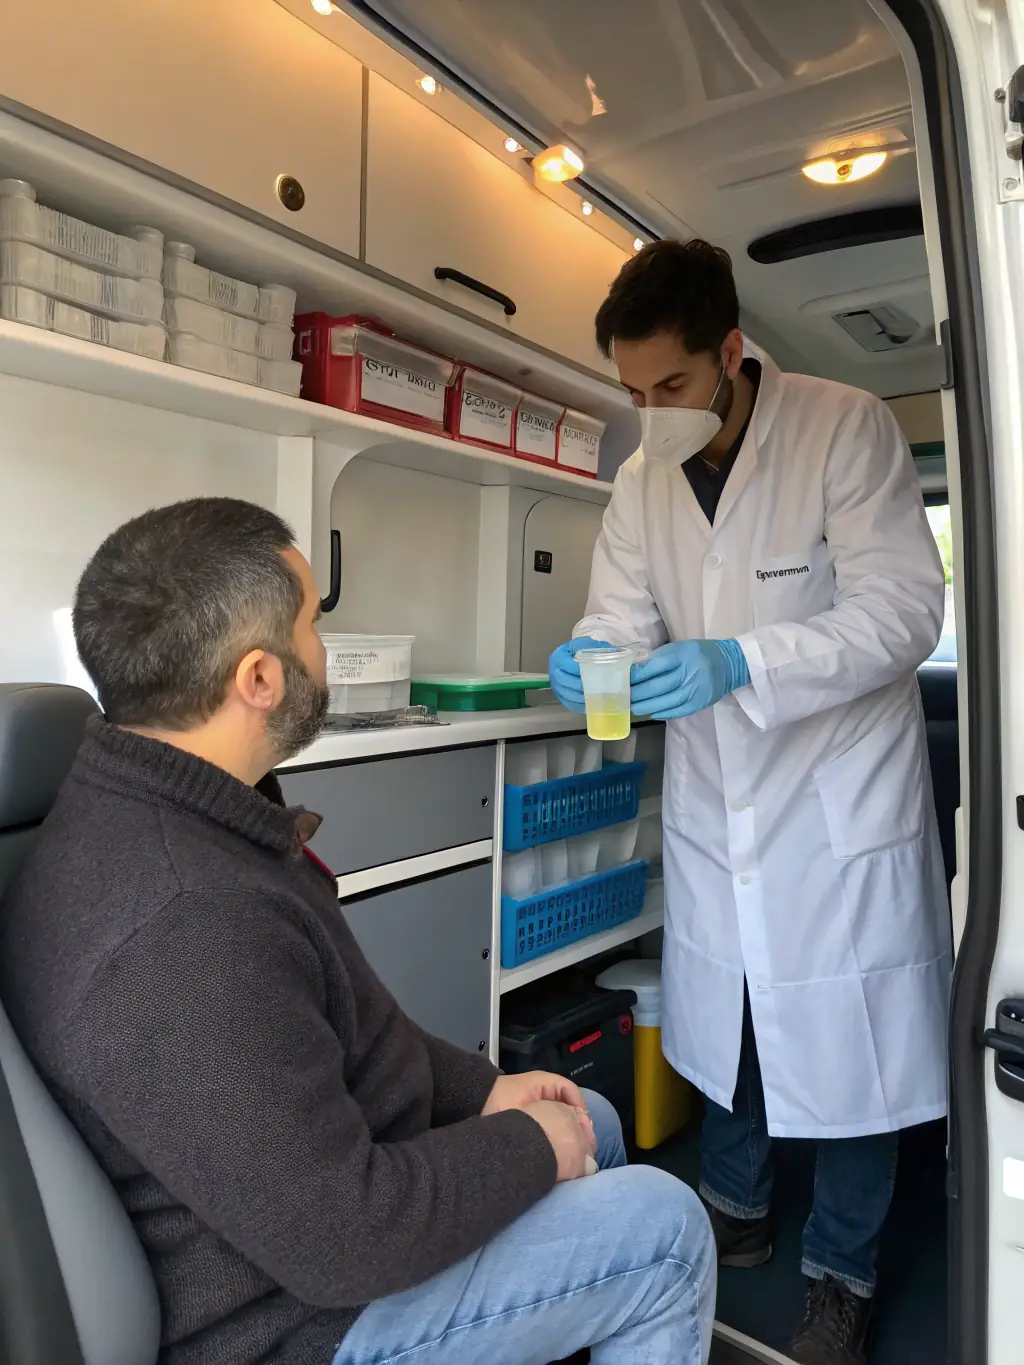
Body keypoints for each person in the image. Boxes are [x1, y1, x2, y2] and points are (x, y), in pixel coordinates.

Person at [0, 497, 716, 1365]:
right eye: (313, 624)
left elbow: (346, 1028)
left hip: (311, 1203)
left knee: (589, 1116)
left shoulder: (170, 801)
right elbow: (343, 1236)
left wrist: (481, 1093)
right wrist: (524, 1143)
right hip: (291, 1319)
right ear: (259, 678)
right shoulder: (183, 924)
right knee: (665, 1230)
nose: (323, 650)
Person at [548, 241, 951, 1365]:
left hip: (837, 805)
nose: (651, 414)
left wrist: (744, 662)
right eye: (630, 394)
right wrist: (587, 656)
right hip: (719, 797)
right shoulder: (638, 482)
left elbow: (903, 614)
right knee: (726, 1022)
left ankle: (841, 1275)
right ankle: (736, 1211)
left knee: (856, 1047)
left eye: (669, 387)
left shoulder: (844, 427)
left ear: (729, 350)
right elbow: (618, 619)